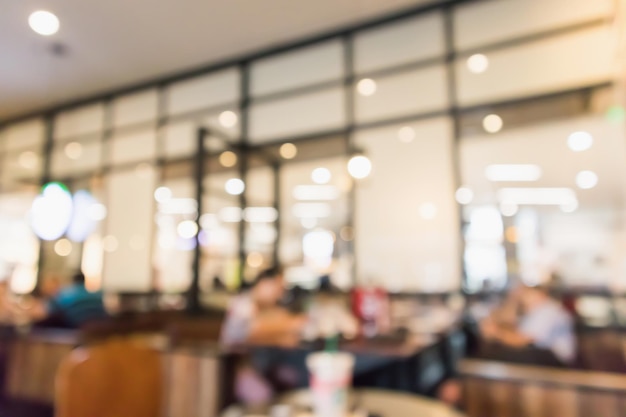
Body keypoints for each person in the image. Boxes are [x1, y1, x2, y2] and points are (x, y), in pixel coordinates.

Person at [220, 268, 308, 406]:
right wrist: (285, 332)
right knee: (263, 395)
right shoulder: (243, 304)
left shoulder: (268, 308)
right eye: (278, 288)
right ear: (264, 283)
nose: (281, 293)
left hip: (263, 366)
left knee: (297, 375)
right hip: (236, 369)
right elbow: (250, 334)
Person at [480, 285, 576, 365]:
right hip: (542, 354)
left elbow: (522, 340)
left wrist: (496, 333)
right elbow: (511, 325)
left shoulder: (547, 311)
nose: (523, 297)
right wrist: (513, 301)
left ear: (540, 294)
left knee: (504, 354)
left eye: (527, 293)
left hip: (557, 359)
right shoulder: (534, 311)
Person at [12, 271, 108, 328]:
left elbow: (46, 311)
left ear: (72, 281)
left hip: (74, 326)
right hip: (98, 329)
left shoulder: (66, 294)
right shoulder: (97, 294)